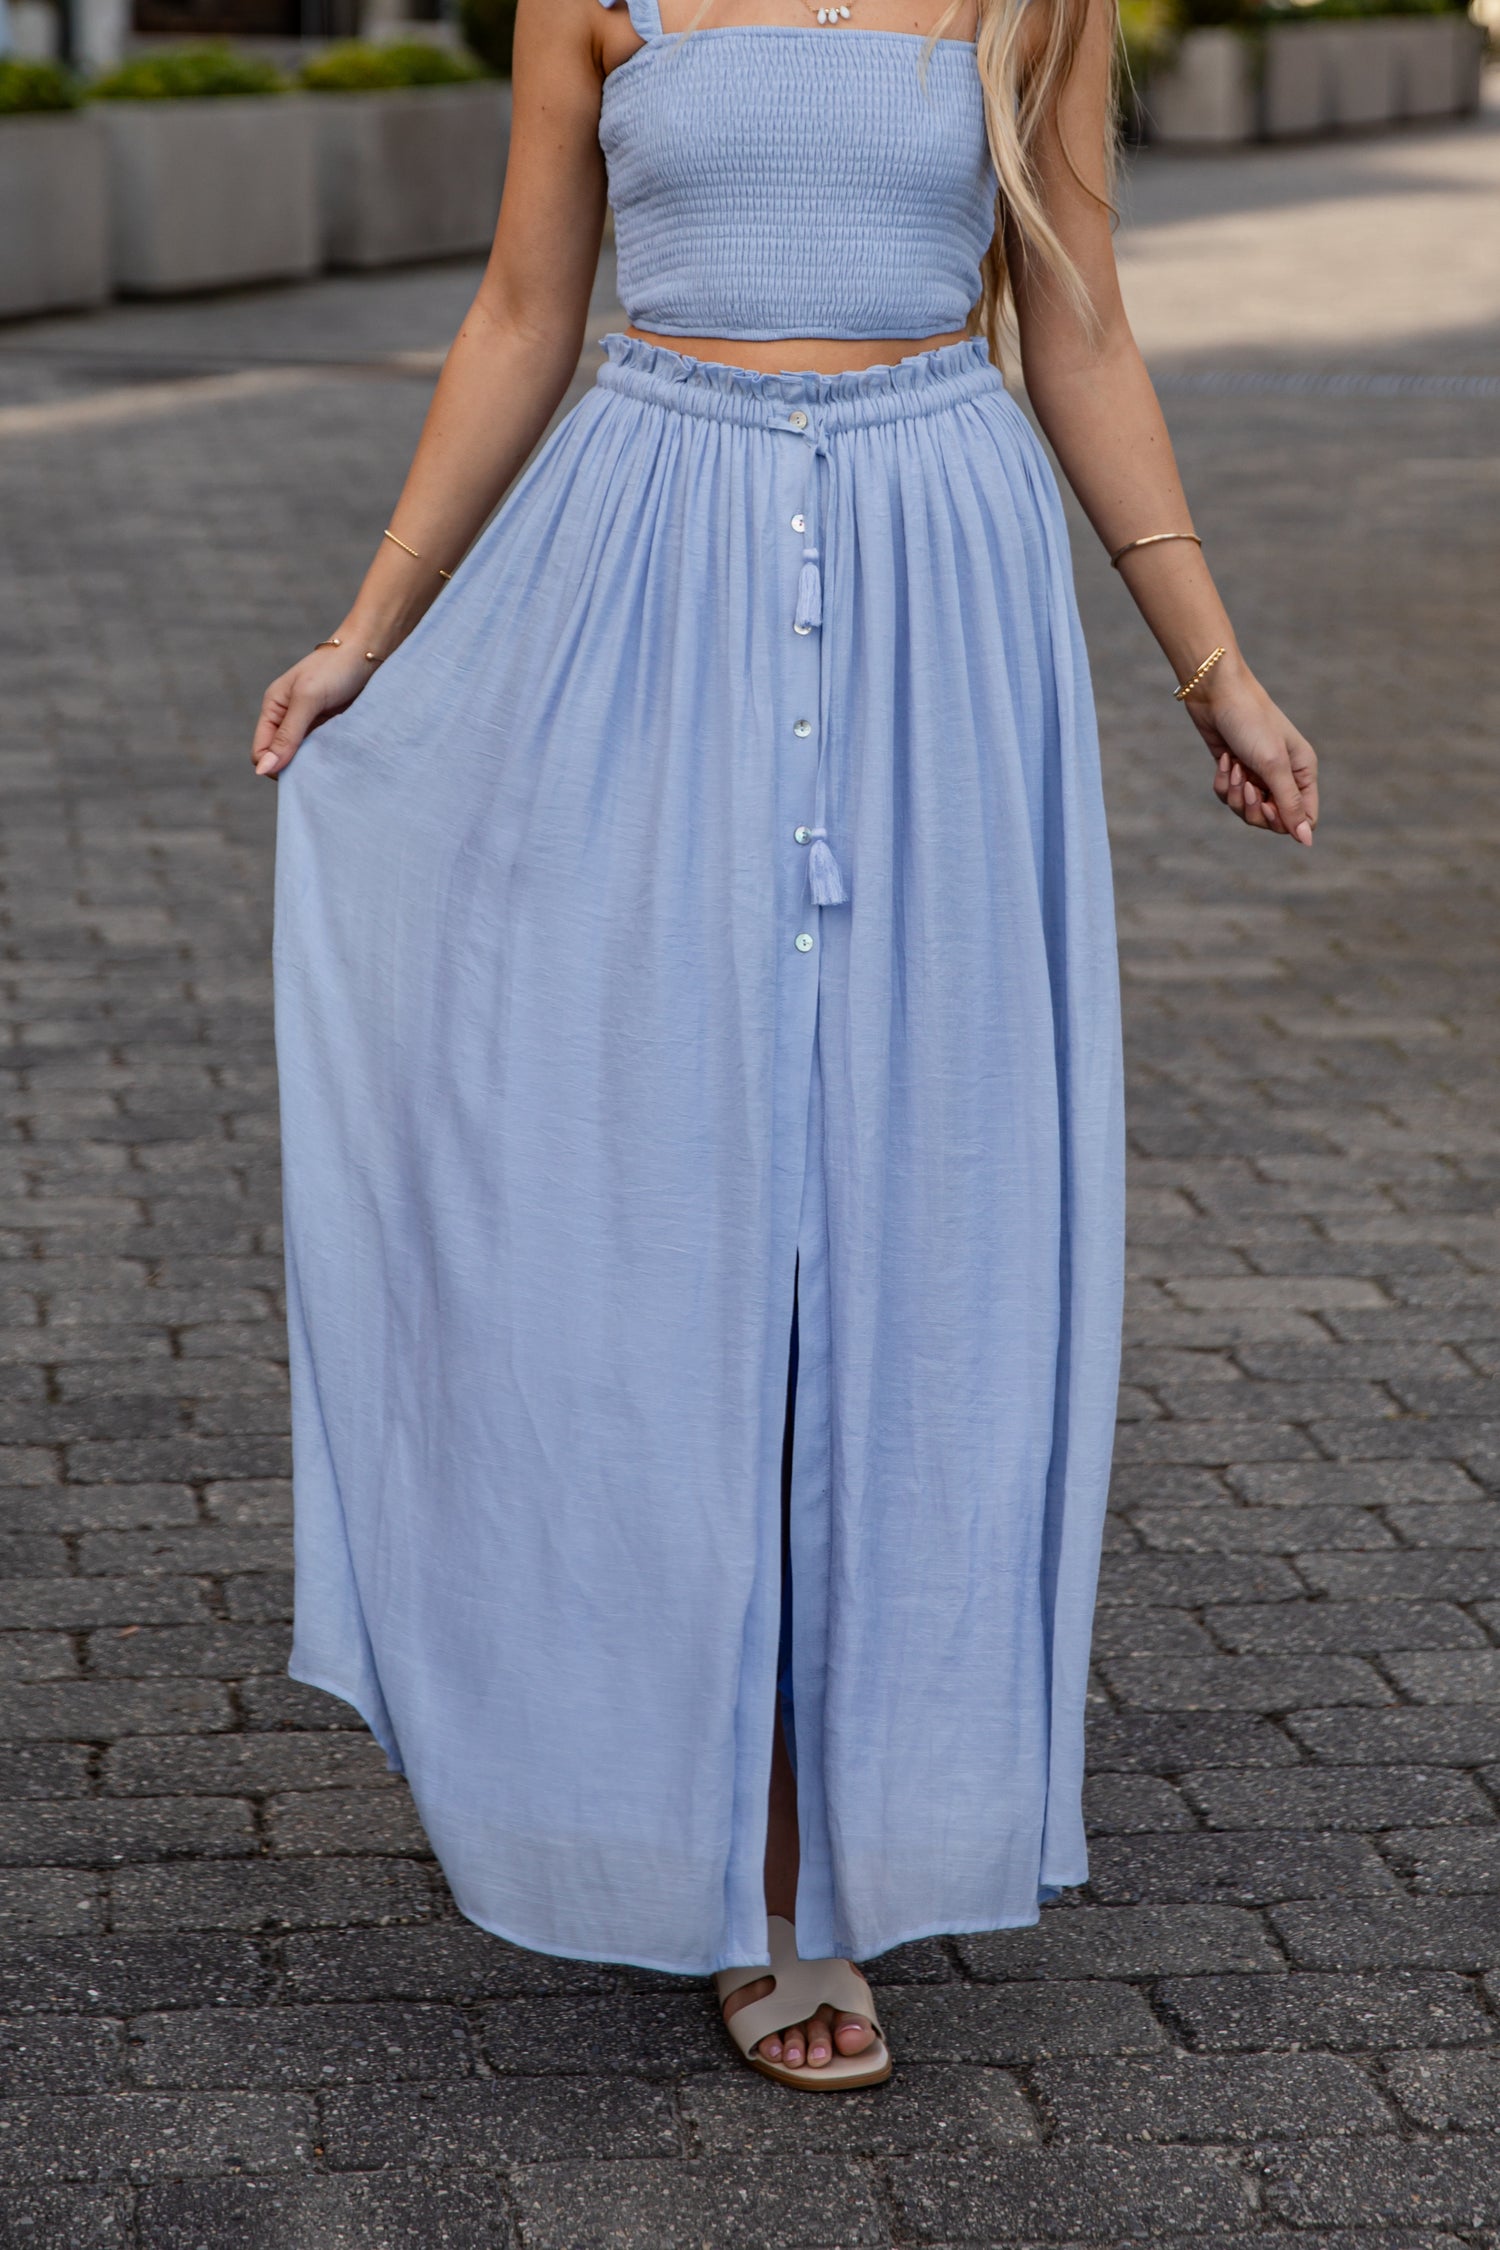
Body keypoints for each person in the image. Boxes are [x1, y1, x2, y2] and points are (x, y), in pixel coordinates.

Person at [253, 0, 1318, 2091]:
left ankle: (826, 1870)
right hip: (641, 576)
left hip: (945, 583)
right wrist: (368, 630)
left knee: (908, 1235)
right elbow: (519, 312)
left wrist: (1215, 668)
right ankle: (725, 1840)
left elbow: (1078, 326)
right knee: (657, 1218)